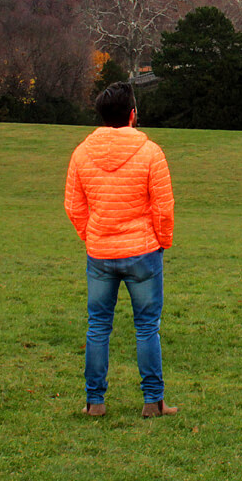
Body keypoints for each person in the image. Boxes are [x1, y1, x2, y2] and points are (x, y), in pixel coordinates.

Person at [65, 82, 177, 418]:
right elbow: (164, 208)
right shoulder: (151, 152)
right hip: (143, 252)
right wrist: (162, 240)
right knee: (146, 327)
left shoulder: (82, 153)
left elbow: (73, 205)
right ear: (132, 114)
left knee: (98, 325)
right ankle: (153, 401)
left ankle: (94, 402)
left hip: (100, 253)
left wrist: (93, 235)